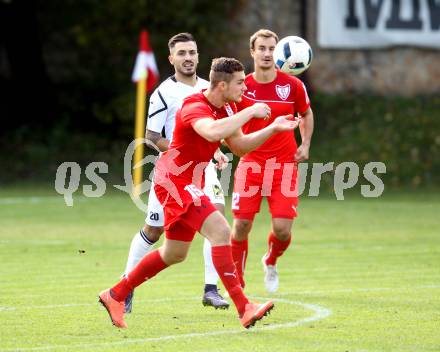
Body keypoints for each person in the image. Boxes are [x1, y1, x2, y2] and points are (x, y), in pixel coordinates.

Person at [98, 57, 300, 329]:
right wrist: (249, 113)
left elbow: (239, 147)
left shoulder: (228, 105)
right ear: (221, 85)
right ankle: (244, 307)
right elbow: (212, 130)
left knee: (174, 253)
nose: (245, 87)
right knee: (220, 230)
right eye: (240, 83)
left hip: (189, 179)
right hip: (174, 180)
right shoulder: (194, 105)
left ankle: (115, 294)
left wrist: (272, 128)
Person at [123, 33, 229, 312]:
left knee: (217, 220)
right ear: (171, 59)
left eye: (192, 52)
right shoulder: (163, 93)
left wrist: (215, 151)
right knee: (154, 230)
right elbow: (151, 136)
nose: (188, 58)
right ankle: (127, 284)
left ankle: (211, 289)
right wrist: (183, 151)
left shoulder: (209, 88)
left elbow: (213, 131)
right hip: (173, 174)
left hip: (204, 170)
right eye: (181, 53)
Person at [230, 29, 314, 293]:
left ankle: (270, 260)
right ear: (252, 52)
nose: (267, 53)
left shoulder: (293, 86)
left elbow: (306, 114)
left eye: (271, 49)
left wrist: (306, 144)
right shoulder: (242, 86)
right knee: (241, 225)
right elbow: (228, 121)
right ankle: (237, 282)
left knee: (282, 230)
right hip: (250, 165)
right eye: (262, 48)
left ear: (277, 53)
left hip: (284, 167)